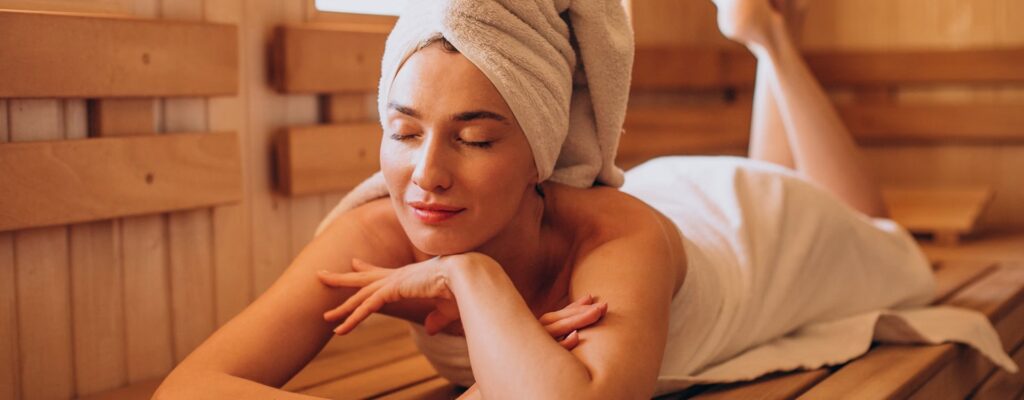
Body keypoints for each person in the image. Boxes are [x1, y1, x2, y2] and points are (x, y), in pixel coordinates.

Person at [154, 0, 1016, 399]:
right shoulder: (384, 223)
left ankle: (767, 40)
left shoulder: (617, 239)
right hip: (674, 196)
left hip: (752, 238)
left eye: (476, 138)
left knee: (887, 244)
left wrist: (469, 279)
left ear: (541, 152)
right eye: (404, 130)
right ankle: (764, 39)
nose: (426, 175)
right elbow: (190, 387)